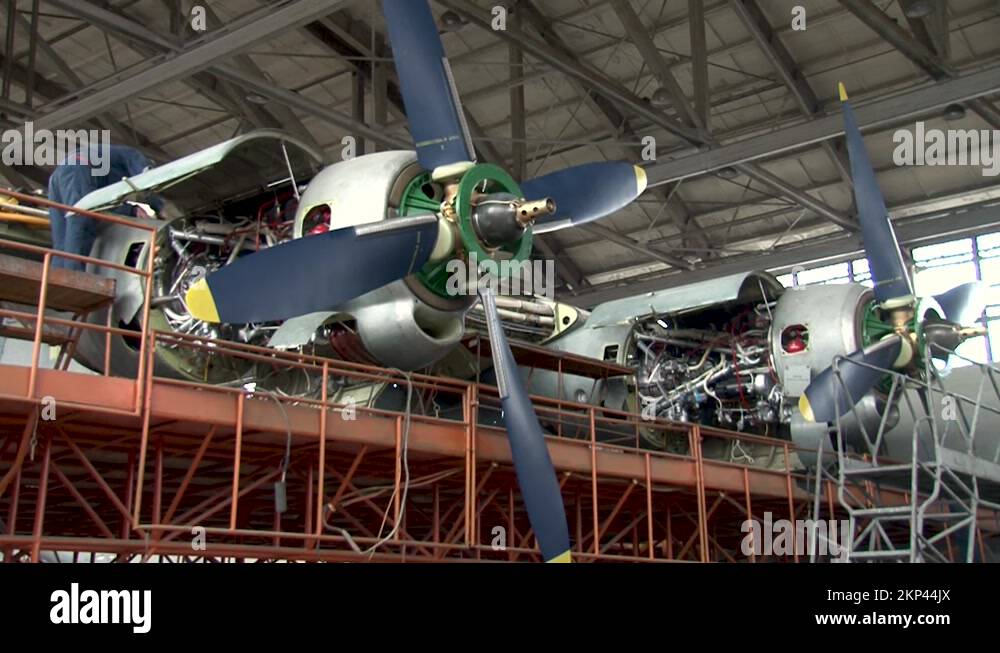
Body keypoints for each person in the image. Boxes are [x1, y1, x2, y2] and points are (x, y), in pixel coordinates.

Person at [47, 144, 163, 271]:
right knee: (81, 222)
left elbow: (103, 203)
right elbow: (149, 183)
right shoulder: (137, 158)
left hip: (58, 176)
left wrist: (130, 210)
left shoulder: (112, 168)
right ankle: (72, 278)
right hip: (79, 169)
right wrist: (158, 209)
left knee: (62, 241)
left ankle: (53, 280)